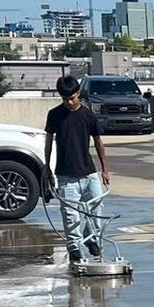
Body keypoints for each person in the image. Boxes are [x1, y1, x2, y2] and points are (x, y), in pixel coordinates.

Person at [44, 77, 111, 266]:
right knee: (71, 214)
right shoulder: (55, 115)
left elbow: (98, 141)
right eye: (65, 99)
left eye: (72, 98)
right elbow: (49, 140)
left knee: (96, 210)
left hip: (89, 173)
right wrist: (47, 166)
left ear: (78, 94)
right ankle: (74, 248)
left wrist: (105, 170)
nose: (69, 102)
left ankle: (92, 239)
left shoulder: (88, 115)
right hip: (66, 175)